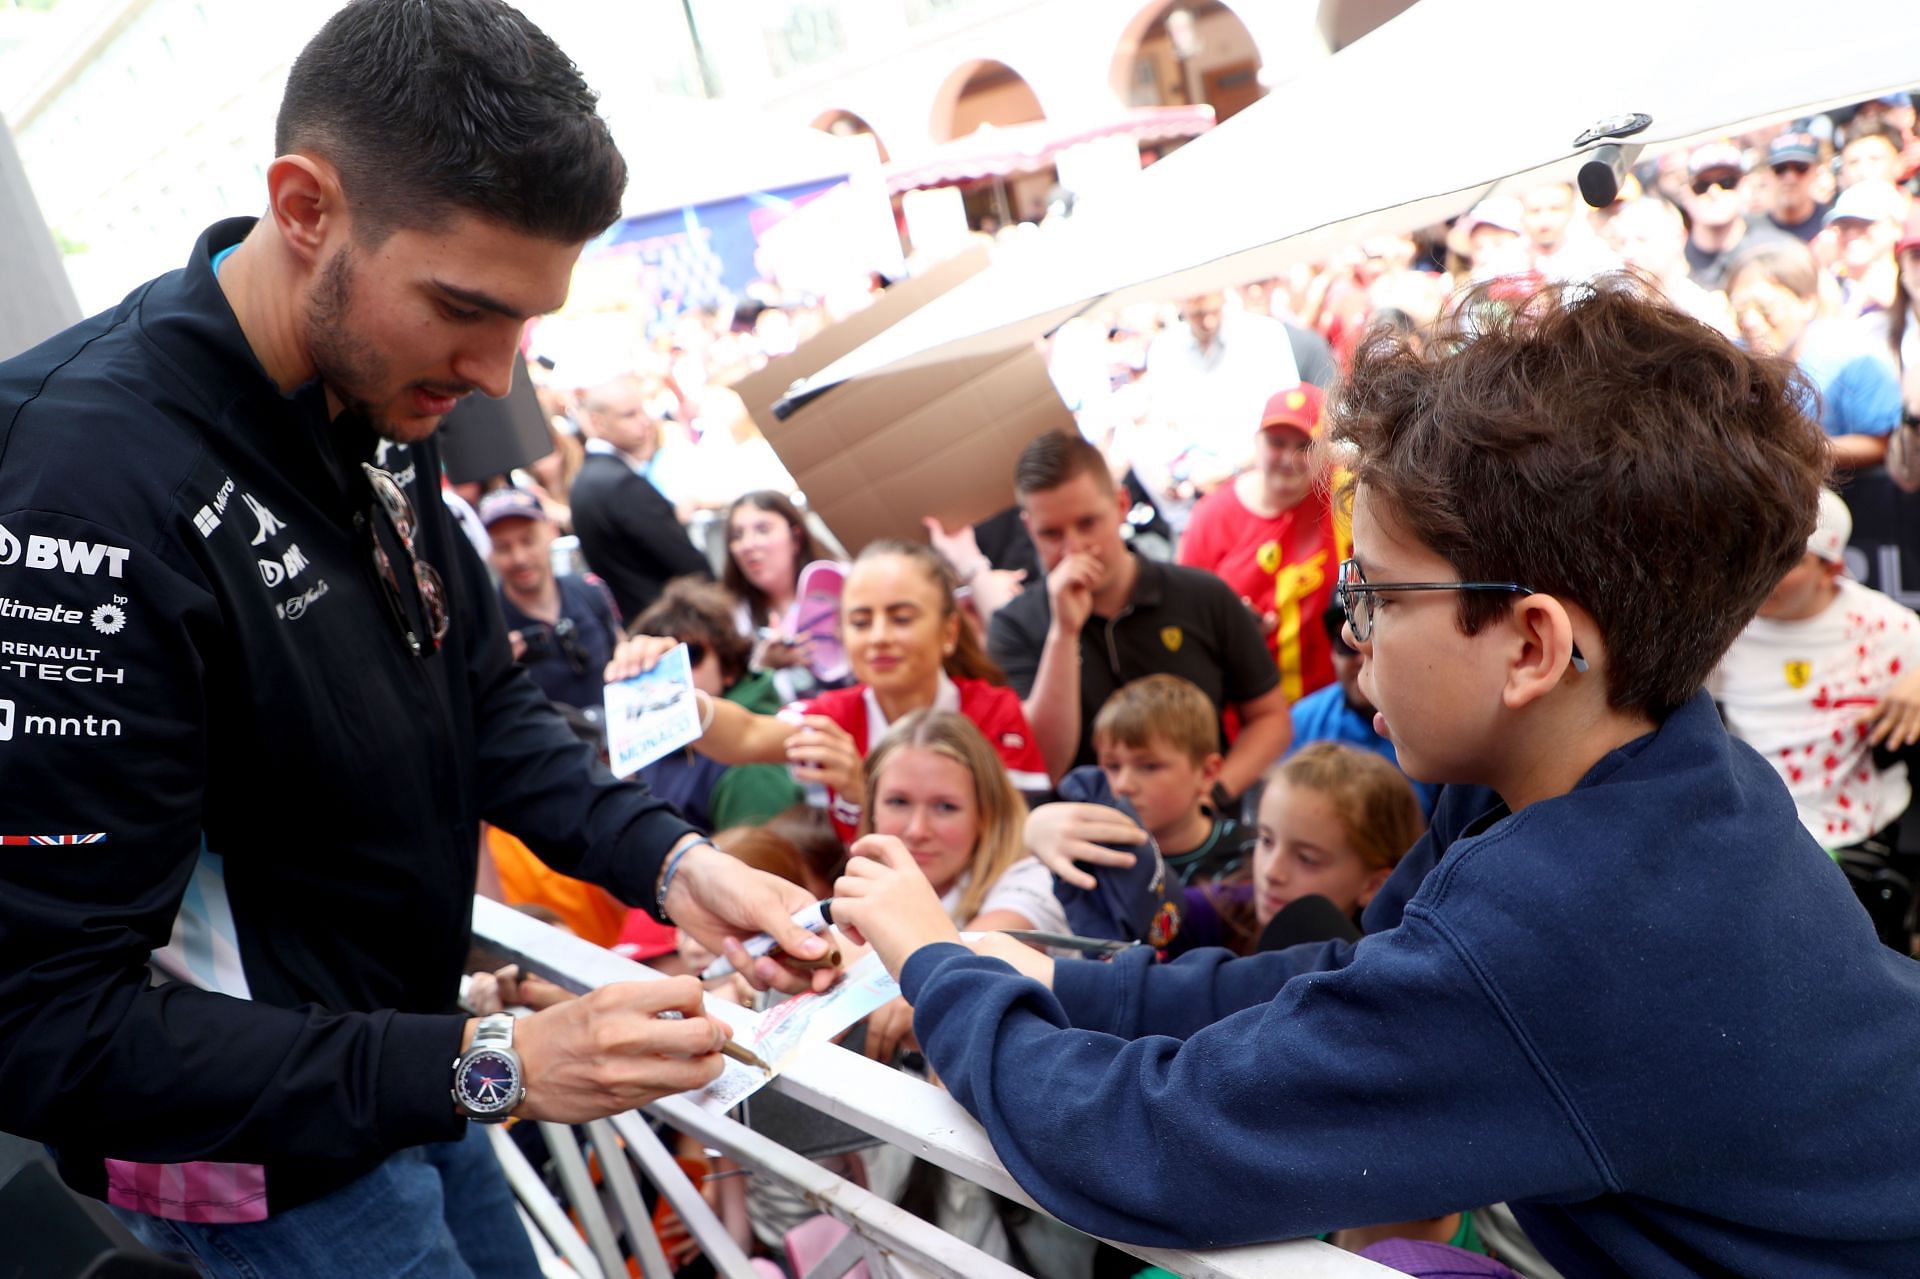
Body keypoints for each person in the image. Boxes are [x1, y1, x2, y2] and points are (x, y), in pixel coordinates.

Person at [830, 276, 1920, 1274]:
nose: (1344, 633)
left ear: (1531, 648)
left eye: (1375, 594)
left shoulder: (1558, 935)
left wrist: (937, 964)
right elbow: (1350, 978)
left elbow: (1145, 1142)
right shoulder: (1671, 768)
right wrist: (1062, 980)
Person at [0, 3, 834, 1272]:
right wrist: (492, 1060)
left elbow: (480, 699)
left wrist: (669, 863)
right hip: (270, 1164)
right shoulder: (77, 488)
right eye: (465, 307)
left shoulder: (377, 382)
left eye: (525, 322)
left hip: (417, 1075)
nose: (498, 374)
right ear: (304, 206)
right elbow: (46, 1025)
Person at [616, 539, 1050, 842]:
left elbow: (1007, 840)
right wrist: (670, 692)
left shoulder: (993, 712)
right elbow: (747, 734)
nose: (878, 637)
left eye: (901, 618)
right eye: (860, 622)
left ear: (950, 630)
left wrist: (866, 794)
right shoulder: (835, 717)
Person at [988, 430, 1290, 793]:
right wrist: (1063, 634)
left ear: (1120, 504)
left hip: (1205, 833)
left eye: (1087, 523)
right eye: (1051, 534)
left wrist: (1213, 797)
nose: (1074, 547)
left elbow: (1270, 717)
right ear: (1028, 529)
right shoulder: (1014, 626)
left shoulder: (1201, 594)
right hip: (1085, 839)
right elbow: (1044, 765)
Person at [1710, 489, 1920, 852]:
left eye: (1788, 559)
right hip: (1749, 833)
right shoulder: (1718, 625)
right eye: (1757, 550)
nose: (1763, 570)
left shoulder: (1885, 626)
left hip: (1859, 834)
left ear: (1831, 570)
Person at [1178, 383, 1344, 702]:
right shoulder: (1211, 518)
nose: (1288, 458)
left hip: (1331, 704)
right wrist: (1229, 628)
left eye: (1304, 447)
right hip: (1250, 704)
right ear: (1256, 443)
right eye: (1277, 442)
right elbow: (1187, 620)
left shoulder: (1339, 499)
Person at [628, 578, 805, 835]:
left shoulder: (751, 767)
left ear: (728, 667)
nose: (678, 673)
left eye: (690, 654)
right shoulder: (652, 738)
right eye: (660, 662)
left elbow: (763, 863)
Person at [1728, 238, 1902, 468]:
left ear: (1806, 302)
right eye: (1740, 309)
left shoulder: (1850, 354)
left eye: (1765, 307)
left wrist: (1793, 451)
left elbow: (1882, 442)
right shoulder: (1733, 360)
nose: (1750, 321)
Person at [569, 371, 712, 620]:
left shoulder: (588, 481)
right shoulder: (619, 483)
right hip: (673, 623)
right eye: (629, 415)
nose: (645, 422)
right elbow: (682, 560)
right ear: (598, 422)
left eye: (642, 411)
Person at [1288, 601, 1439, 815]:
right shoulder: (1303, 721)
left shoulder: (1437, 723)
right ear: (1332, 653)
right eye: (1347, 645)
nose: (1361, 658)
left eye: (1374, 638)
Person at [480, 486, 619, 713]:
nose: (519, 558)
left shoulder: (588, 592)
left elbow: (619, 648)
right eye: (503, 548)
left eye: (528, 540)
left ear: (551, 532)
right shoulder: (488, 626)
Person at [1680, 140, 1786, 290]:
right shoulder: (1673, 260)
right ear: (1685, 194)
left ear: (1745, 187)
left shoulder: (1776, 250)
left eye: (1727, 182)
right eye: (1702, 186)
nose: (1714, 192)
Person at [1762, 131, 1832, 244]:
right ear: (1768, 175)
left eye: (1801, 168)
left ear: (1816, 172)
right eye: (1780, 169)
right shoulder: (1754, 231)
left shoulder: (1831, 224)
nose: (1790, 178)